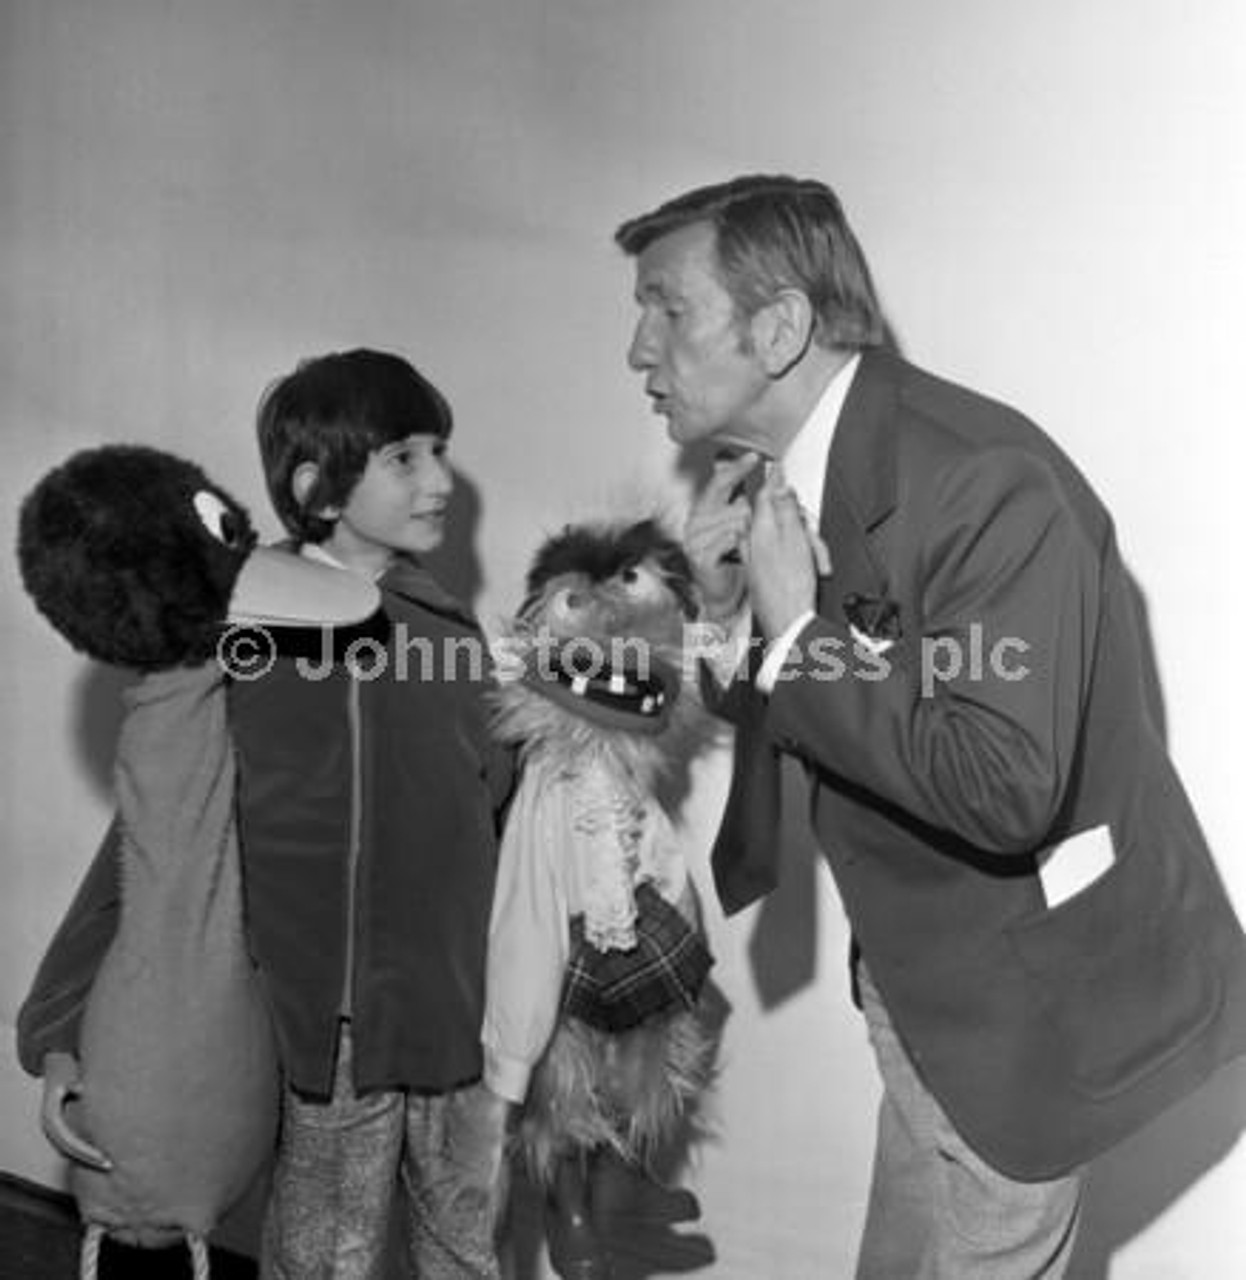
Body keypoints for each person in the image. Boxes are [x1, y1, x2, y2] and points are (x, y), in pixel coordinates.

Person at [613, 174, 1246, 1278]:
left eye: (667, 307)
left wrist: (795, 633)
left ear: (779, 327)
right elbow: (837, 702)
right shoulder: (798, 475)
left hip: (1020, 1014)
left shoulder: (981, 479)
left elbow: (1001, 784)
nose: (638, 348)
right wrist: (732, 622)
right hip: (919, 984)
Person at [19, 348, 515, 1279]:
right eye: (404, 458)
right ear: (317, 488)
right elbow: (155, 840)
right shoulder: (240, 636)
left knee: (464, 1243)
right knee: (325, 1253)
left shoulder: (450, 633)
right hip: (328, 1033)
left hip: (460, 1017)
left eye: (439, 450)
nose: (440, 480)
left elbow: (499, 799)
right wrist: (60, 1027)